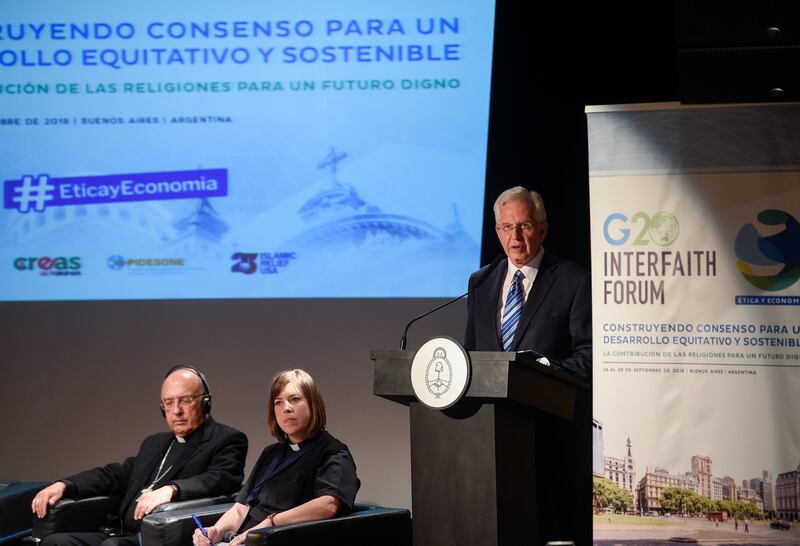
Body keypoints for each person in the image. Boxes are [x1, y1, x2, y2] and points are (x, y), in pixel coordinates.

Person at [32, 365, 248, 546]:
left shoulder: (227, 439)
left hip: (156, 537)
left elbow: (221, 478)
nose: (176, 410)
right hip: (120, 531)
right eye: (169, 402)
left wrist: (172, 489)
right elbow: (116, 474)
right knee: (55, 542)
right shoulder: (155, 443)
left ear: (205, 402)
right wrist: (65, 485)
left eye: (186, 400)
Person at [193, 369, 359, 546]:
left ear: (313, 404)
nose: (286, 408)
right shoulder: (271, 453)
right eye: (278, 402)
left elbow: (328, 505)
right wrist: (215, 532)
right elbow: (241, 509)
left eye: (294, 399)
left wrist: (269, 523)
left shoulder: (333, 452)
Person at [464, 186, 592, 379]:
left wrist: (543, 371)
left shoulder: (575, 281)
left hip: (544, 402)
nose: (515, 236)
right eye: (507, 227)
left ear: (542, 230)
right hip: (487, 406)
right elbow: (471, 352)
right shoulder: (481, 281)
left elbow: (588, 355)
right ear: (498, 231)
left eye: (524, 225)